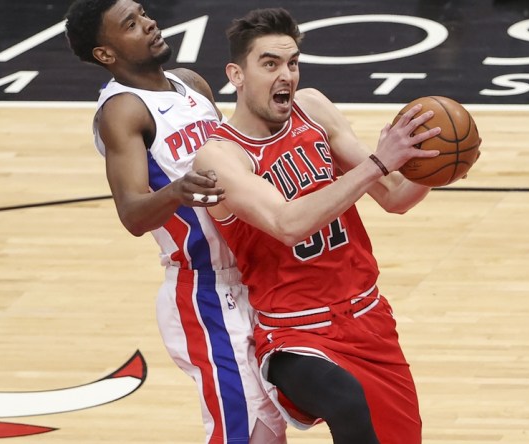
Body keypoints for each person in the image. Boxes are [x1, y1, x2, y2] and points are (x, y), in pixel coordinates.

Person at [193, 8, 478, 444]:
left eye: (292, 63)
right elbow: (286, 223)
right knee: (346, 399)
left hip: (368, 318)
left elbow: (395, 196)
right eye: (269, 64)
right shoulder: (221, 156)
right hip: (294, 331)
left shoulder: (313, 108)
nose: (285, 75)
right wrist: (380, 160)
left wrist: (436, 168)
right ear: (237, 73)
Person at [64, 1, 286, 443]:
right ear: (106, 53)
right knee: (239, 430)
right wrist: (176, 191)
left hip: (254, 273)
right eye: (130, 24)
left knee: (267, 427)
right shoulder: (123, 111)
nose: (148, 24)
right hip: (205, 291)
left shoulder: (191, 84)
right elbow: (131, 213)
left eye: (143, 13)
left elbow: (235, 160)